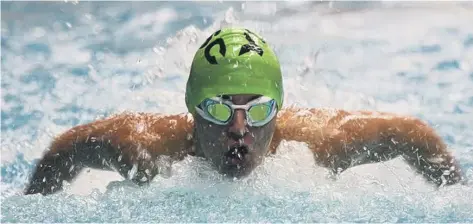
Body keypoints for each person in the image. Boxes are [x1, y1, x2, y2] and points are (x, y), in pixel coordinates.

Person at [24, 27, 465, 196]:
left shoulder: (318, 146)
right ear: (193, 109)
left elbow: (415, 133)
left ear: (279, 109)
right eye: (218, 109)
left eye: (257, 110)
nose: (239, 129)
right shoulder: (147, 150)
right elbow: (66, 149)